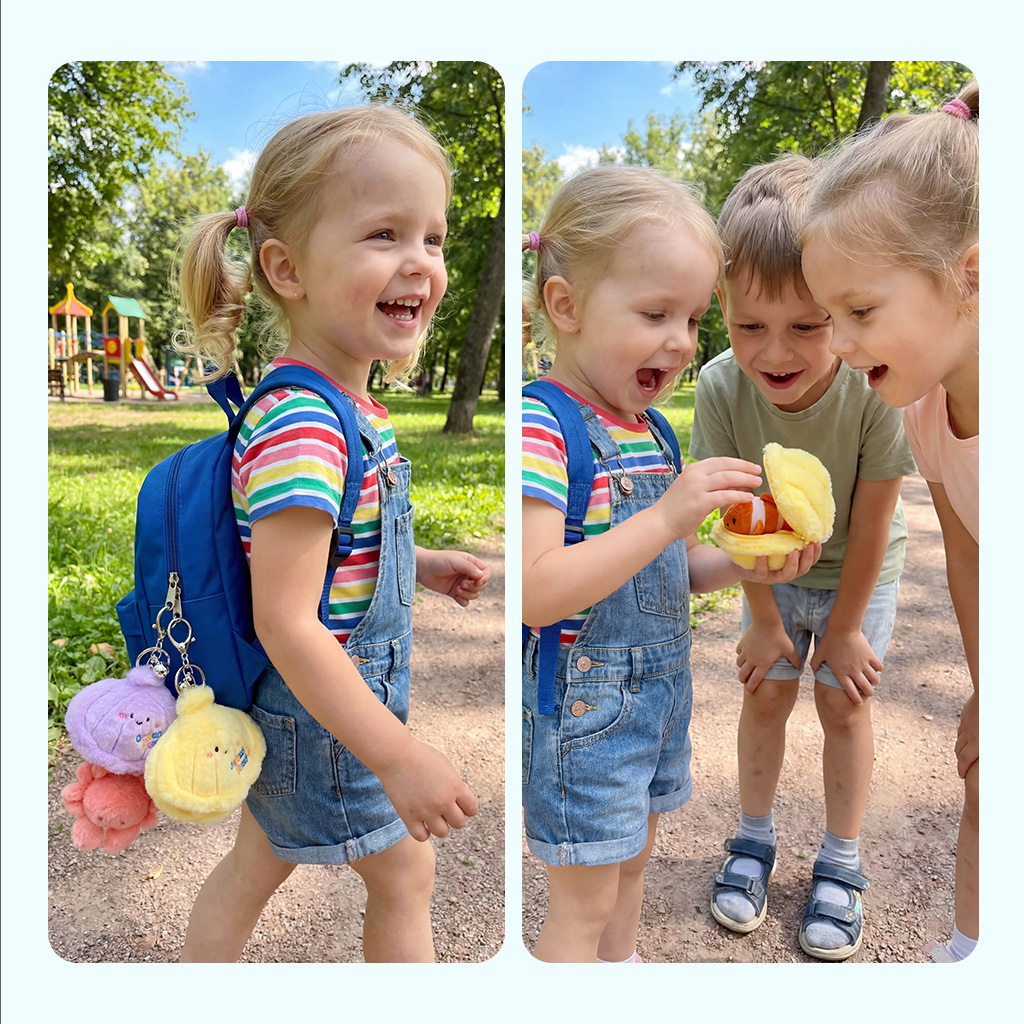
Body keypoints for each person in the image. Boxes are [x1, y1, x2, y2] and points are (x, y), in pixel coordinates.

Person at [172, 106, 489, 963]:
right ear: (287, 268)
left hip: (313, 709)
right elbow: (286, 617)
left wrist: (413, 563)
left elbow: (326, 553)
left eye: (434, 236)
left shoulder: (338, 407)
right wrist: (398, 756)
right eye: (384, 233)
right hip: (328, 717)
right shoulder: (306, 424)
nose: (419, 261)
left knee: (255, 866)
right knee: (404, 876)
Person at [521, 165, 820, 964]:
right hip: (585, 717)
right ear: (567, 306)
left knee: (632, 879)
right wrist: (664, 516)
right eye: (655, 313)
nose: (682, 342)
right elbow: (539, 593)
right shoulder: (544, 428)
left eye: (692, 320)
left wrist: (749, 564)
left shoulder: (649, 429)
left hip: (656, 702)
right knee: (583, 903)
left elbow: (669, 575)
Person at [691, 154, 917, 961]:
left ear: (841, 311)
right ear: (722, 307)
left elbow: (876, 507)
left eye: (806, 325)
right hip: (770, 578)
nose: (774, 353)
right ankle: (752, 842)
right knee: (767, 697)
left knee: (844, 705)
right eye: (750, 325)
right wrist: (758, 619)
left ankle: (841, 864)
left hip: (858, 572)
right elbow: (735, 520)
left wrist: (849, 629)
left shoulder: (875, 385)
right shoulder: (721, 390)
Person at [800, 80, 979, 963]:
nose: (836, 344)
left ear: (971, 278)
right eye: (830, 317)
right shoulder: (922, 409)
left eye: (860, 313)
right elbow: (970, 559)